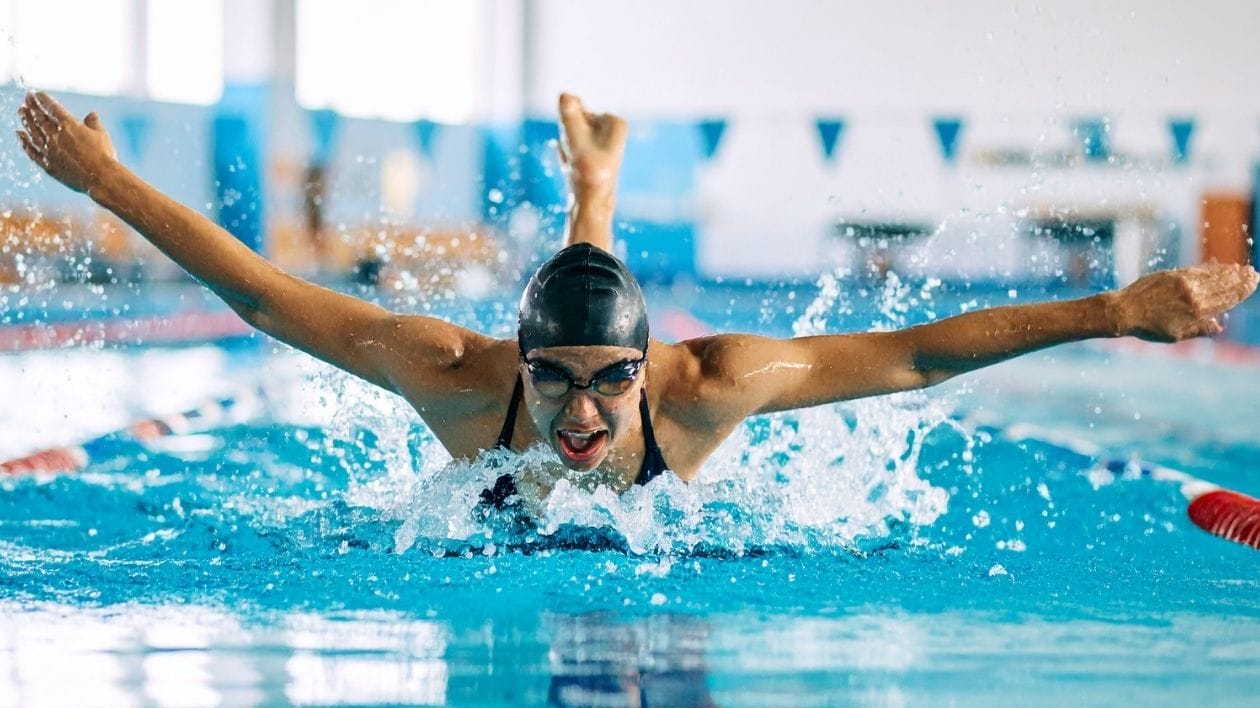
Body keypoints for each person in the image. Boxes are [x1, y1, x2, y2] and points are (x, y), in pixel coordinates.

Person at [15, 91, 1259, 499]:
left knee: (591, 299)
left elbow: (918, 355)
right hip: (543, 327)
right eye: (553, 380)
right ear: (515, 360)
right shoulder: (466, 378)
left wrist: (1112, 309)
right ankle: (590, 198)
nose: (580, 417)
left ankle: (592, 195)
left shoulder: (707, 386)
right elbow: (269, 300)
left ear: (651, 365)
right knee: (572, 301)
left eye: (611, 379)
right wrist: (109, 181)